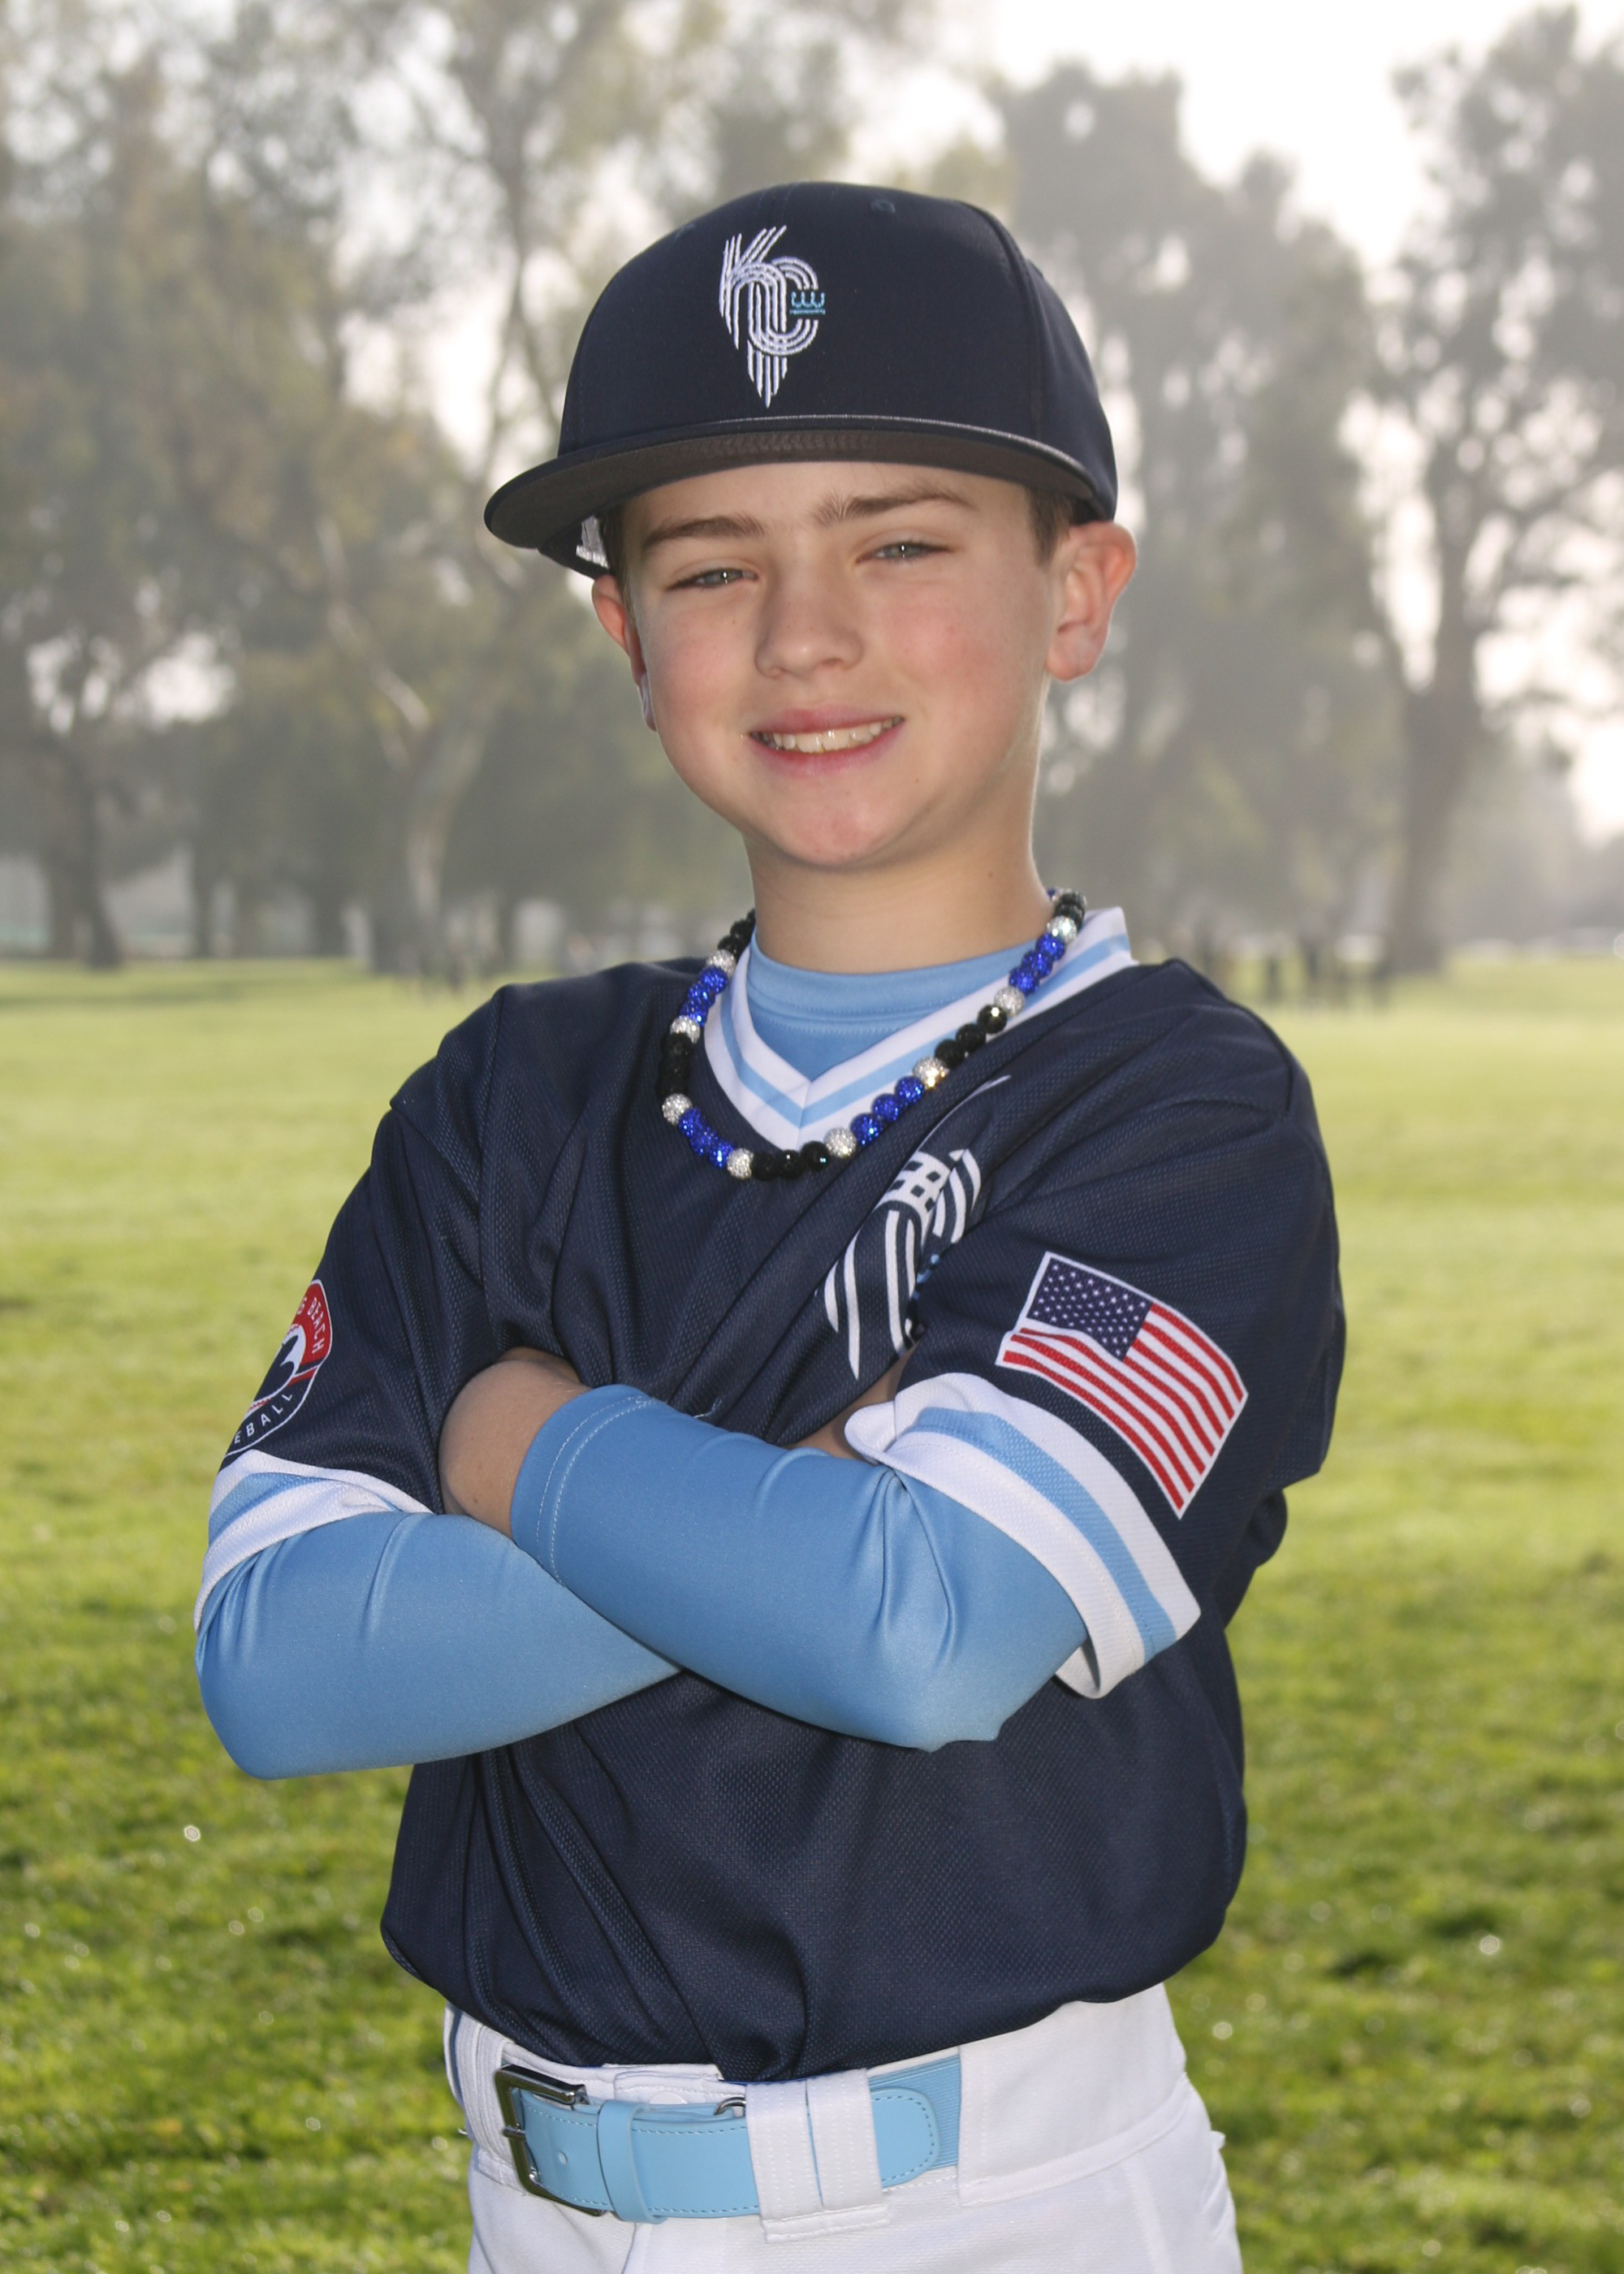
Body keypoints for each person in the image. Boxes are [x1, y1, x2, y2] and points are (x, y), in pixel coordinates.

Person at [196, 182, 1343, 2272]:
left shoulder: (1173, 1101)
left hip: (994, 2203)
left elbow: (923, 1630)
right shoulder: (512, 1093)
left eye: (900, 543)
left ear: (1077, 590)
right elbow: (276, 1661)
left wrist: (522, 1442)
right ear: (627, 636)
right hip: (537, 2202)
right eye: (713, 565)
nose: (805, 635)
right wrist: (796, 1505)